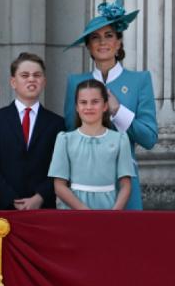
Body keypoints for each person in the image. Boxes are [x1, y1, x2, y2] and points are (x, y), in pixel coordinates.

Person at [63, 0, 157, 210]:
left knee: (123, 242)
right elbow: (70, 132)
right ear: (88, 45)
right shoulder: (75, 83)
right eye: (95, 37)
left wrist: (117, 110)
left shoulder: (139, 80)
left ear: (119, 43)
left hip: (122, 181)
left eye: (109, 35)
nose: (102, 42)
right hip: (83, 183)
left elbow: (149, 138)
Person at [0, 53, 66, 210]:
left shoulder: (57, 123)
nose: (31, 79)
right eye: (25, 75)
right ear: (13, 82)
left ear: (44, 82)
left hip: (42, 208)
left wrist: (39, 197)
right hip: (2, 207)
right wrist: (11, 198)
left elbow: (60, 169)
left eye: (37, 75)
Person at [50, 80, 135, 210]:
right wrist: (85, 212)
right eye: (83, 102)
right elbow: (59, 186)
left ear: (105, 106)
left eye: (95, 102)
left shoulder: (120, 139)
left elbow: (126, 185)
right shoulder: (65, 139)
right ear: (77, 107)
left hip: (108, 208)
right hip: (73, 210)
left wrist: (114, 213)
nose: (89, 107)